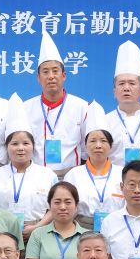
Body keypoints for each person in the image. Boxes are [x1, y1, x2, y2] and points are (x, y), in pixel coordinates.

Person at [16, 32, 92, 173]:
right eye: (45, 72)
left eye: (55, 71)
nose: (51, 76)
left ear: (64, 76)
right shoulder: (26, 108)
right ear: (38, 78)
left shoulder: (81, 107)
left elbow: (86, 149)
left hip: (71, 175)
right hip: (36, 174)